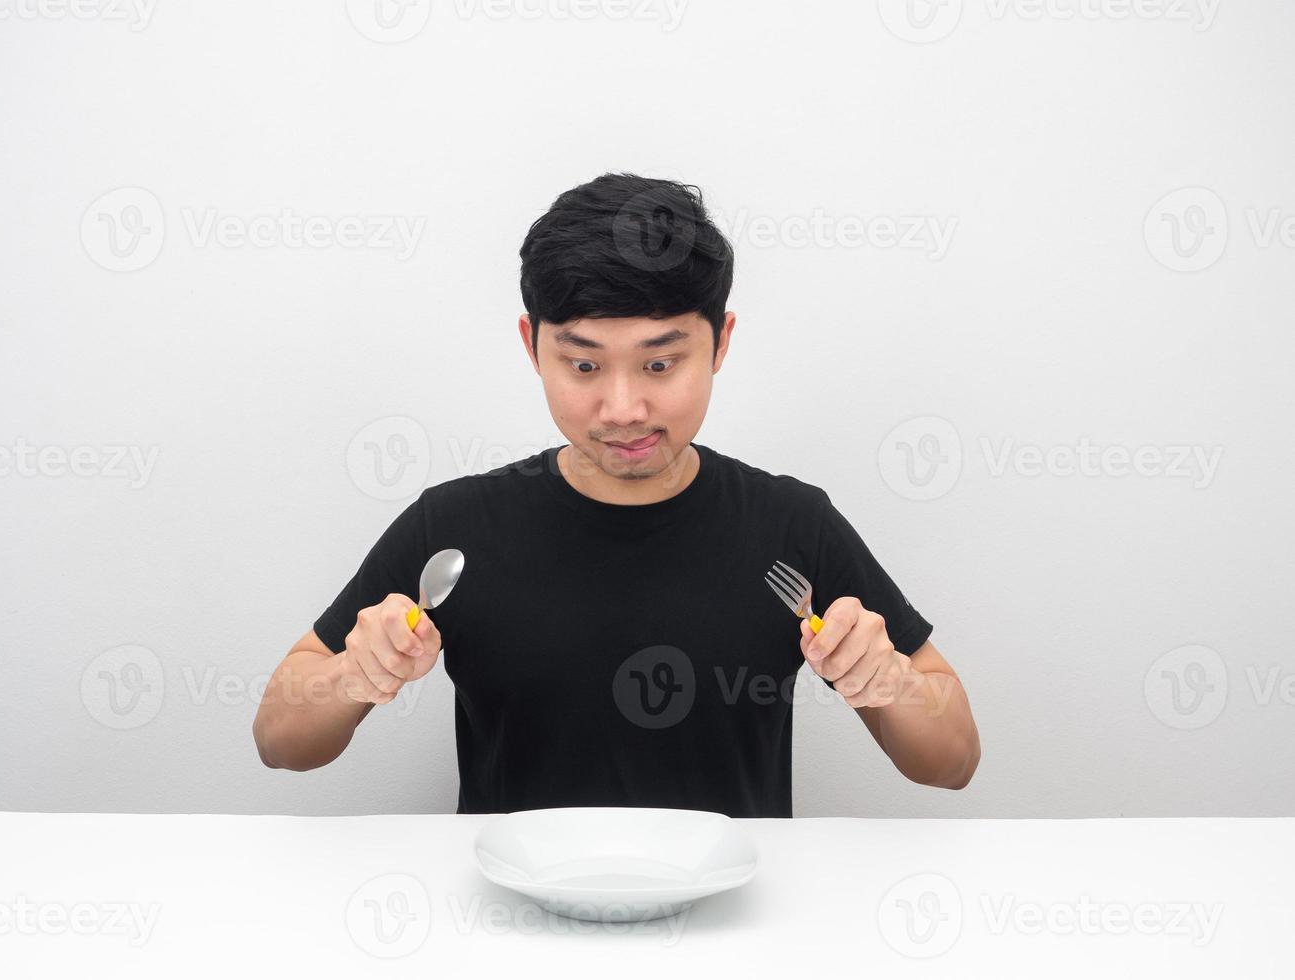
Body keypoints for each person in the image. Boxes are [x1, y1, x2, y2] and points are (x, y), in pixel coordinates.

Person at [251, 173, 980, 817]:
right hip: (513, 926)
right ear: (530, 346)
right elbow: (280, 741)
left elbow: (950, 763)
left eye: (660, 362)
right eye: (583, 364)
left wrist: (888, 682)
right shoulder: (453, 527)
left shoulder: (791, 523)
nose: (623, 408)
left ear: (720, 343)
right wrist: (353, 674)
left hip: (728, 930)